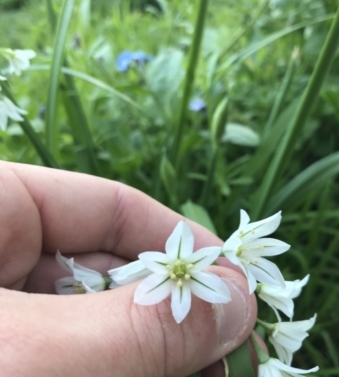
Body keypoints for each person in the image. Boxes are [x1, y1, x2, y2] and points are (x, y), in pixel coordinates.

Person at [0, 161, 257, 377]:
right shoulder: (171, 266)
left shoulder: (190, 260)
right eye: (177, 269)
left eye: (180, 269)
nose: (179, 271)